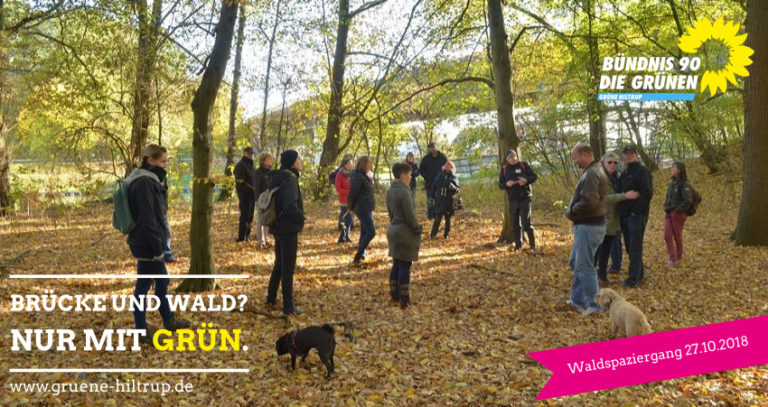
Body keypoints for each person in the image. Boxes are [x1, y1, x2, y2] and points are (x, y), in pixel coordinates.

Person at [125, 144, 189, 344]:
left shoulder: (149, 179)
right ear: (150, 160)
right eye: (162, 161)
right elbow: (148, 218)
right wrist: (157, 248)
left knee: (162, 282)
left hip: (149, 241)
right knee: (143, 287)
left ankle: (168, 320)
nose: (165, 165)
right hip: (147, 243)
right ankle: (141, 330)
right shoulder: (144, 182)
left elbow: (158, 213)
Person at [565, 143, 608, 316]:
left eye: (575, 157)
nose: (575, 161)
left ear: (584, 155)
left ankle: (595, 305)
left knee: (585, 266)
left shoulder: (592, 173)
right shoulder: (593, 171)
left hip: (589, 226)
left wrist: (572, 211)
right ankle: (577, 300)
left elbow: (590, 201)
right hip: (587, 225)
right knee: (576, 262)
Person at [266, 150, 306, 316]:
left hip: (278, 225)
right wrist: (301, 217)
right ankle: (288, 306)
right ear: (292, 162)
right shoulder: (290, 180)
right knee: (288, 268)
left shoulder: (278, 176)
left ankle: (271, 297)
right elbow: (290, 206)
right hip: (288, 227)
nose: (301, 161)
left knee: (279, 264)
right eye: (299, 159)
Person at [595, 153, 639, 283]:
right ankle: (587, 277)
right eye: (609, 162)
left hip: (613, 220)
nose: (612, 165)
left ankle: (602, 275)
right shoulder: (599, 178)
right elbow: (603, 198)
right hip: (601, 219)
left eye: (615, 162)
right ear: (603, 163)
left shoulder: (617, 178)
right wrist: (625, 196)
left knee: (606, 249)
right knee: (597, 250)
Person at [386, 162, 423, 308]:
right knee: (405, 265)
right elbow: (410, 215)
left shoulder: (390, 191)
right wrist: (417, 228)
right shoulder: (404, 192)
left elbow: (390, 213)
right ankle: (405, 298)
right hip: (404, 232)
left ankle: (394, 294)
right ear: (402, 175)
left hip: (393, 229)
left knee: (396, 263)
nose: (410, 177)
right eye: (409, 174)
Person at [617, 145, 653, 288]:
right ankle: (639, 274)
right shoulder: (625, 172)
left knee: (634, 247)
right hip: (625, 216)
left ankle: (633, 279)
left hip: (636, 216)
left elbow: (647, 193)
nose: (628, 156)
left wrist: (636, 212)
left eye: (631, 154)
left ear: (636, 155)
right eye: (626, 154)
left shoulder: (642, 171)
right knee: (630, 247)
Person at [498, 149, 538, 253]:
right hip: (512, 200)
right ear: (507, 159)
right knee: (515, 224)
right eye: (510, 157)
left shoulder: (523, 165)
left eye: (514, 156)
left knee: (526, 223)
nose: (513, 159)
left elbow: (534, 176)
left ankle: (533, 246)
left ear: (517, 156)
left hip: (525, 198)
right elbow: (500, 185)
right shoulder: (504, 169)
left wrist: (526, 180)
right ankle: (518, 246)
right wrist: (507, 184)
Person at [663, 161, 693, 267]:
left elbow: (688, 200)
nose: (672, 169)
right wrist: (665, 206)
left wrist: (677, 211)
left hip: (678, 214)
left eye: (674, 167)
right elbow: (668, 197)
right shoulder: (672, 183)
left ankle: (678, 257)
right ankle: (673, 258)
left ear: (679, 170)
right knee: (667, 235)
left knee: (677, 236)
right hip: (668, 212)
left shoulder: (685, 184)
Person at [347, 156, 376, 265]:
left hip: (367, 207)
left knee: (364, 231)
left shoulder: (366, 175)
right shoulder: (358, 176)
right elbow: (352, 193)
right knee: (371, 231)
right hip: (362, 208)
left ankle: (362, 252)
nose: (371, 165)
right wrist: (350, 207)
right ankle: (358, 255)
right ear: (364, 164)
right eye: (369, 163)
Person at [430, 161, 460, 239]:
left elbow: (457, 189)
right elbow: (434, 186)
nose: (447, 168)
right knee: (437, 219)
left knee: (448, 219)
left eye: (449, 167)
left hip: (448, 201)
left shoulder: (453, 177)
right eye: (446, 167)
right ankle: (432, 235)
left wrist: (453, 187)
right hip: (440, 200)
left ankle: (446, 235)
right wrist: (432, 196)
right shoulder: (440, 176)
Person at [233, 147, 257, 242]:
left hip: (252, 194)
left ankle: (247, 235)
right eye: (249, 153)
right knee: (245, 215)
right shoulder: (240, 165)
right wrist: (252, 189)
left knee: (250, 216)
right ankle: (241, 237)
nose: (251, 155)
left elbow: (254, 179)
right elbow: (240, 181)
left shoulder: (251, 165)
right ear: (245, 153)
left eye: (252, 153)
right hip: (244, 194)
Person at [419, 142, 447, 219]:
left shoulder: (442, 157)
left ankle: (438, 216)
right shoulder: (425, 159)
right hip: (430, 184)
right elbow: (421, 170)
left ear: (436, 147)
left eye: (434, 147)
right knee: (430, 200)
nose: (433, 149)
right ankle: (431, 217)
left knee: (440, 200)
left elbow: (447, 167)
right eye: (431, 148)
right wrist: (427, 177)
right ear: (429, 149)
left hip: (440, 183)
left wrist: (445, 176)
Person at [253, 152, 273, 248]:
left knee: (267, 218)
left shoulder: (271, 171)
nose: (271, 160)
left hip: (269, 198)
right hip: (261, 198)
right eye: (269, 159)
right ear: (263, 160)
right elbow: (256, 187)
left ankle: (266, 238)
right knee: (260, 219)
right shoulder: (258, 172)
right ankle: (260, 241)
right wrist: (258, 200)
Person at [334, 157, 354, 243]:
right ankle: (342, 237)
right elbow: (338, 188)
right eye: (349, 163)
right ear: (345, 165)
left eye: (352, 163)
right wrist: (349, 191)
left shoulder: (353, 173)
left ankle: (346, 236)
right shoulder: (340, 174)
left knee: (350, 219)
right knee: (348, 219)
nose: (351, 165)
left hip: (352, 200)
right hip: (344, 200)